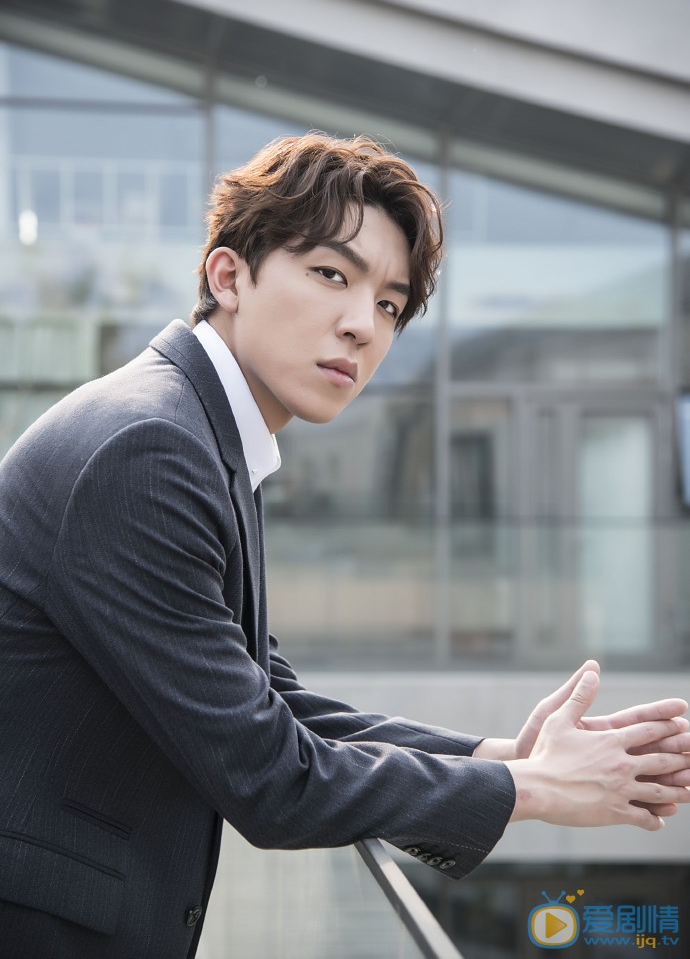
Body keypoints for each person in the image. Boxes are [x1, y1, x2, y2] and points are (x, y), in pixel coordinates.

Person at [0, 134, 688, 959]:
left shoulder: (200, 435)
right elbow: (269, 776)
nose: (363, 326)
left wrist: (502, 756)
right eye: (331, 274)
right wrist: (528, 789)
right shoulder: (151, 450)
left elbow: (275, 701)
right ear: (228, 277)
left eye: (391, 305)